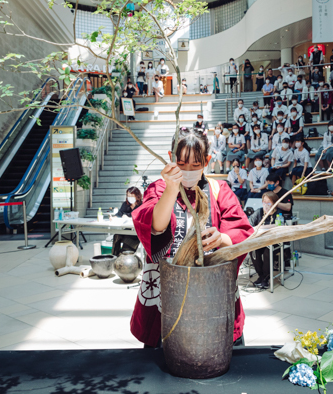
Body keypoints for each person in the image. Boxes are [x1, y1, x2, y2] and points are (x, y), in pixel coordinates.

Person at [130, 127, 252, 348]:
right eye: (182, 163)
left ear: (206, 160)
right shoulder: (159, 188)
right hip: (168, 291)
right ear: (171, 158)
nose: (188, 170)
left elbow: (241, 230)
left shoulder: (218, 189)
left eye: (196, 165)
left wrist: (221, 238)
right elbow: (154, 227)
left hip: (211, 288)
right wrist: (171, 189)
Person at [247, 191, 280, 288]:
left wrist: (261, 227)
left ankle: (266, 278)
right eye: (264, 202)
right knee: (253, 251)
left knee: (267, 252)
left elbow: (279, 226)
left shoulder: (278, 214)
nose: (266, 205)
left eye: (268, 203)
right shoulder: (259, 212)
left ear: (274, 203)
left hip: (274, 243)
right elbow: (249, 224)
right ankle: (261, 276)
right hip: (260, 242)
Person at [112, 187, 142, 255]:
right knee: (116, 236)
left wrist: (128, 216)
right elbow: (120, 213)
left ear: (137, 196)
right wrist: (114, 217)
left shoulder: (141, 205)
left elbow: (139, 216)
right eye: (128, 196)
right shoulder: (126, 204)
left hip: (136, 231)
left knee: (127, 239)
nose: (130, 197)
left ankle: (123, 256)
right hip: (127, 229)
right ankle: (115, 256)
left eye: (132, 196)